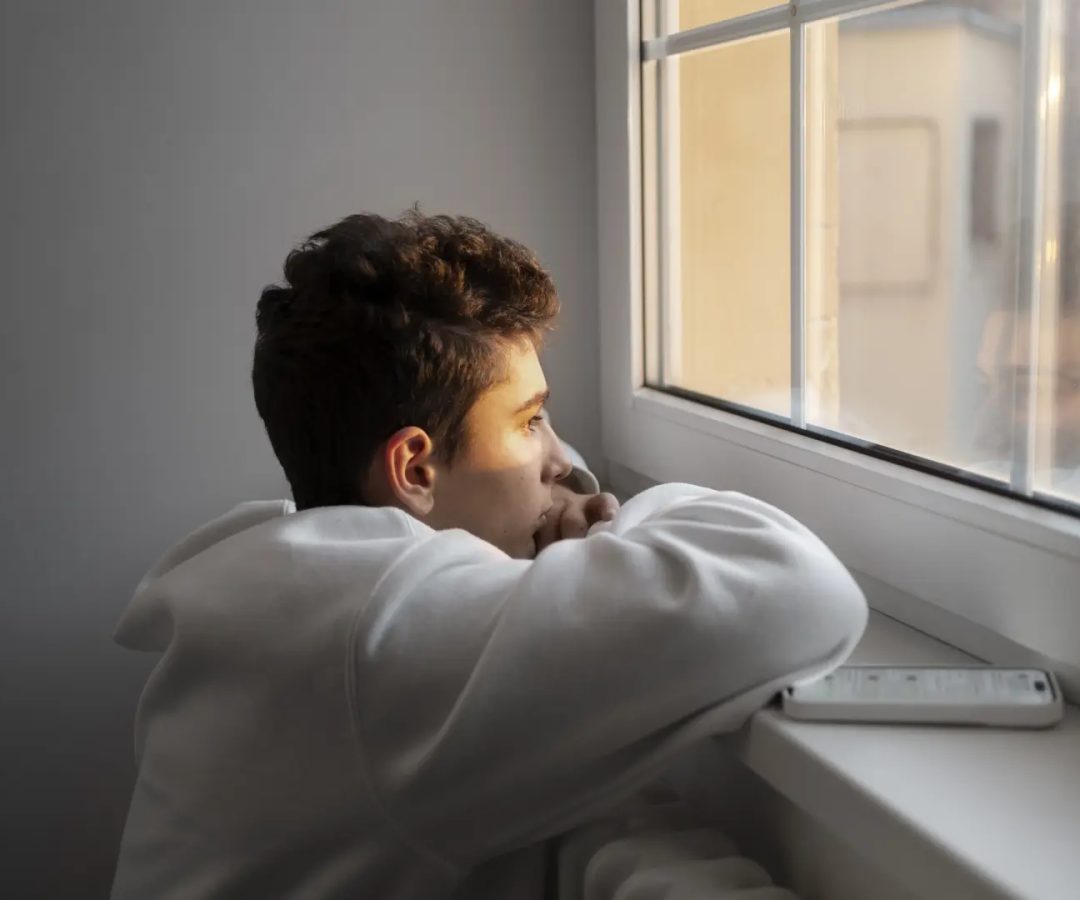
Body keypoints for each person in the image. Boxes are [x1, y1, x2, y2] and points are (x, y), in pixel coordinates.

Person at [110, 210, 868, 899]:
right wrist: (615, 520)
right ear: (414, 470)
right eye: (531, 420)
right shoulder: (387, 629)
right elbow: (799, 589)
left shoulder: (283, 583)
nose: (562, 462)